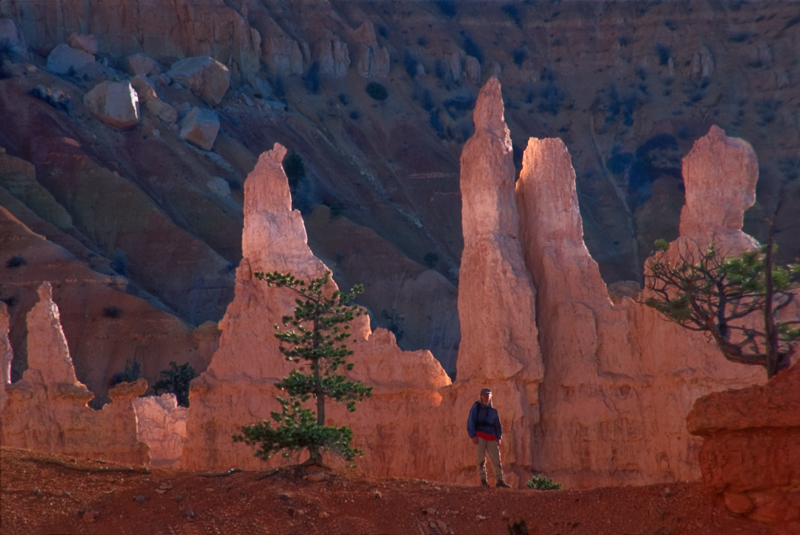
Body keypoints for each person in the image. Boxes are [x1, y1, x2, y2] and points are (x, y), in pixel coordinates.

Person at [467, 387, 510, 488]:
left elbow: (497, 425)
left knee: (496, 459)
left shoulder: (493, 411)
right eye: (484, 395)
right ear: (481, 396)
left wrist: (498, 437)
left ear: (490, 396)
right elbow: (471, 420)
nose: (486, 396)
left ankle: (499, 480)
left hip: (491, 437)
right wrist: (473, 435)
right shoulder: (476, 407)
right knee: (480, 459)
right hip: (480, 436)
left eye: (488, 395)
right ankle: (483, 480)